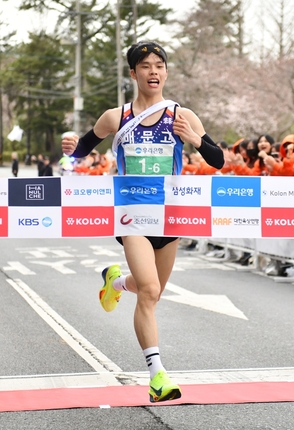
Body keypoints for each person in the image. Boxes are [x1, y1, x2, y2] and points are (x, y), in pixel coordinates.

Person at [61, 40, 224, 403]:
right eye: (146, 66)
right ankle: (157, 376)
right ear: (133, 73)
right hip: (132, 216)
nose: (154, 71)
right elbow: (80, 155)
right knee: (149, 292)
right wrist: (72, 149)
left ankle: (116, 283)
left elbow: (218, 161)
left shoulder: (182, 115)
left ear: (166, 71)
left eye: (160, 65)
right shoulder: (115, 117)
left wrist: (195, 139)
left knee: (152, 290)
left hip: (171, 217)